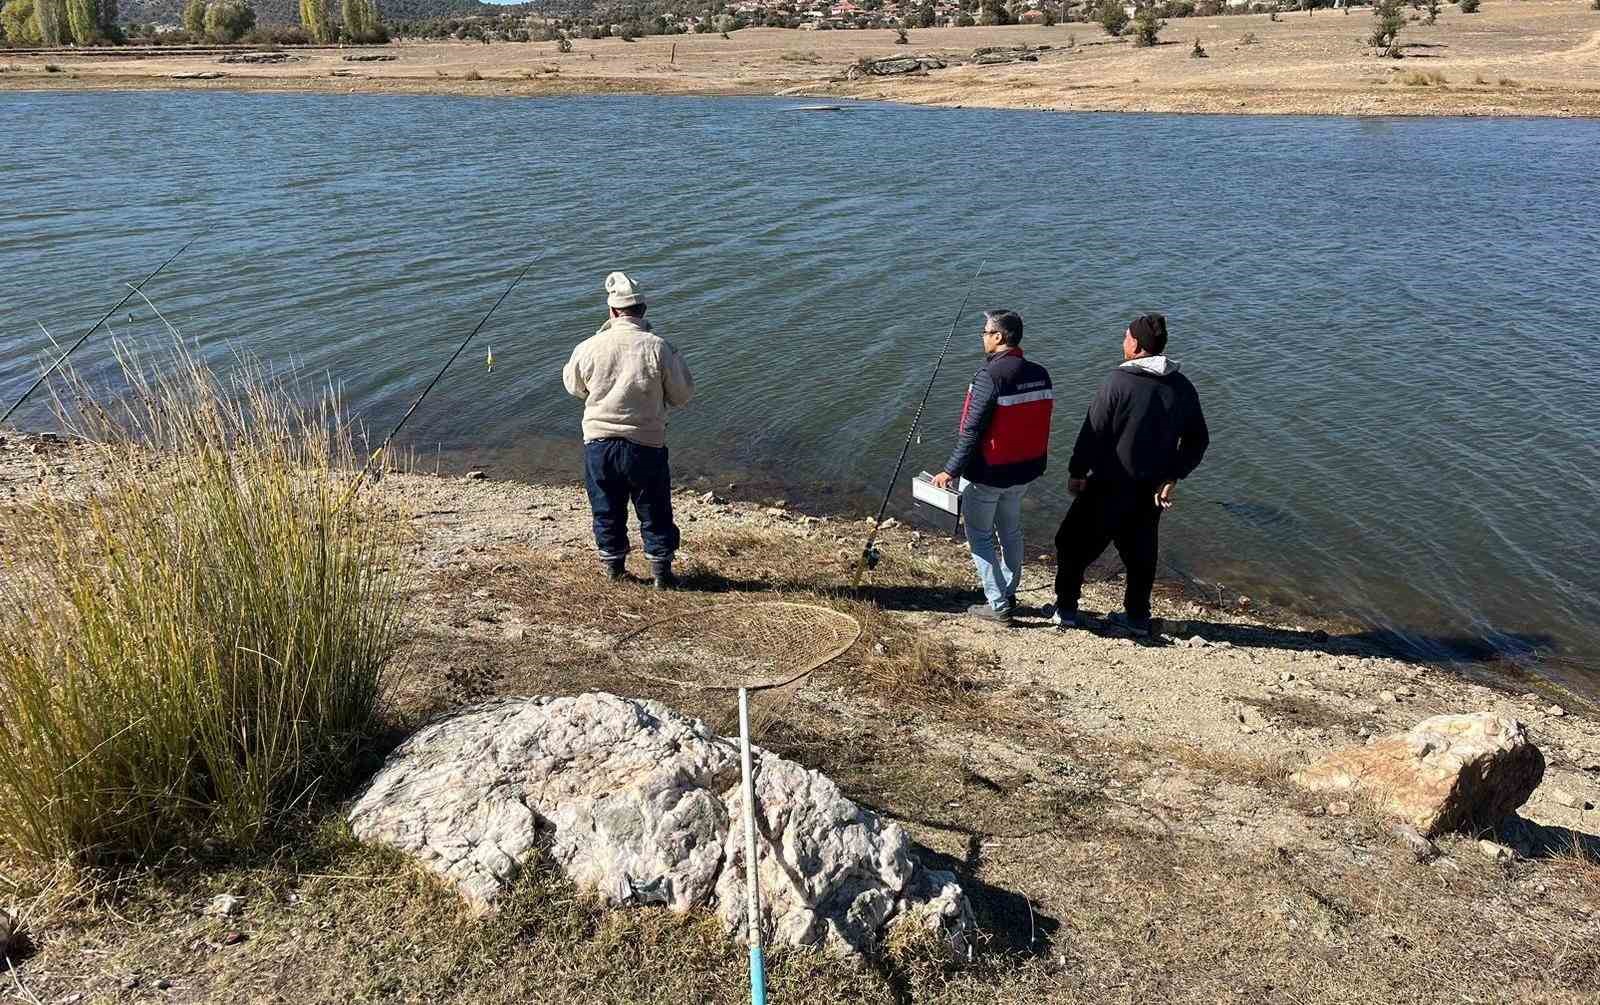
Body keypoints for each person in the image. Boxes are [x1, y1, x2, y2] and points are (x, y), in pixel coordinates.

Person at [1051, 313, 1209, 636]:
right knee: (1140, 555)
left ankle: (1066, 609)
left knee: (1071, 543)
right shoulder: (1181, 386)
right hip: (1149, 491)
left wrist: (1077, 471)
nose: (1122, 341)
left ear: (1135, 345)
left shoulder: (1118, 382)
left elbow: (1093, 431)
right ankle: (1137, 617)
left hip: (1108, 485)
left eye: (1125, 336)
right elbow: (1199, 440)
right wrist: (1173, 475)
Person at [562, 271, 695, 589]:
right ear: (644, 310)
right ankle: (662, 575)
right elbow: (682, 394)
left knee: (606, 507)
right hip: (645, 444)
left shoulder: (589, 346)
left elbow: (574, 387)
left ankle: (614, 570)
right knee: (655, 510)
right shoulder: (659, 347)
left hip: (599, 444)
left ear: (611, 311)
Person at [930, 309, 1054, 623]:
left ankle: (998, 604)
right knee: (1010, 530)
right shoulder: (1040, 373)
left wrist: (950, 470)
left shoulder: (989, 376)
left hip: (989, 473)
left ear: (999, 337)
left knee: (980, 535)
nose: (982, 337)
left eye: (986, 332)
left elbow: (970, 430)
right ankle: (1006, 588)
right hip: (1024, 470)